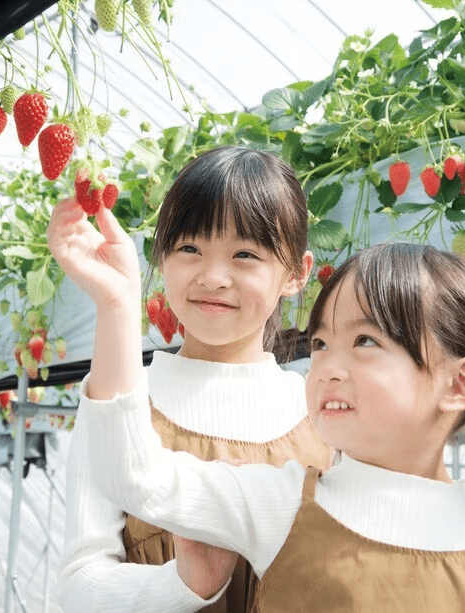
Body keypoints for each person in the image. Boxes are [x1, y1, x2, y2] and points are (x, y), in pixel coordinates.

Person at [50, 205, 465, 610]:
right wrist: (117, 307)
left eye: (365, 342)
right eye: (320, 344)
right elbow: (131, 472)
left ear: (460, 384)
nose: (326, 368)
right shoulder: (277, 500)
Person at [52, 146, 333, 612]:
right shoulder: (119, 401)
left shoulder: (322, 410)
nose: (213, 276)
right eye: (190, 248)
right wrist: (184, 585)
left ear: (296, 274)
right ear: (161, 258)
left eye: (245, 254)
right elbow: (77, 585)